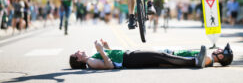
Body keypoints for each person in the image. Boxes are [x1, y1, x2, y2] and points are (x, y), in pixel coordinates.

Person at [69, 39, 233, 70]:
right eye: (77, 53)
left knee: (163, 57)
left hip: (128, 56)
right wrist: (101, 51)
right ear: (78, 59)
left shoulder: (92, 58)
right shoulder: (90, 62)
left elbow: (111, 57)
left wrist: (106, 47)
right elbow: (109, 65)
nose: (79, 51)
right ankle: (194, 62)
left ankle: (196, 60)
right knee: (163, 57)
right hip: (129, 60)